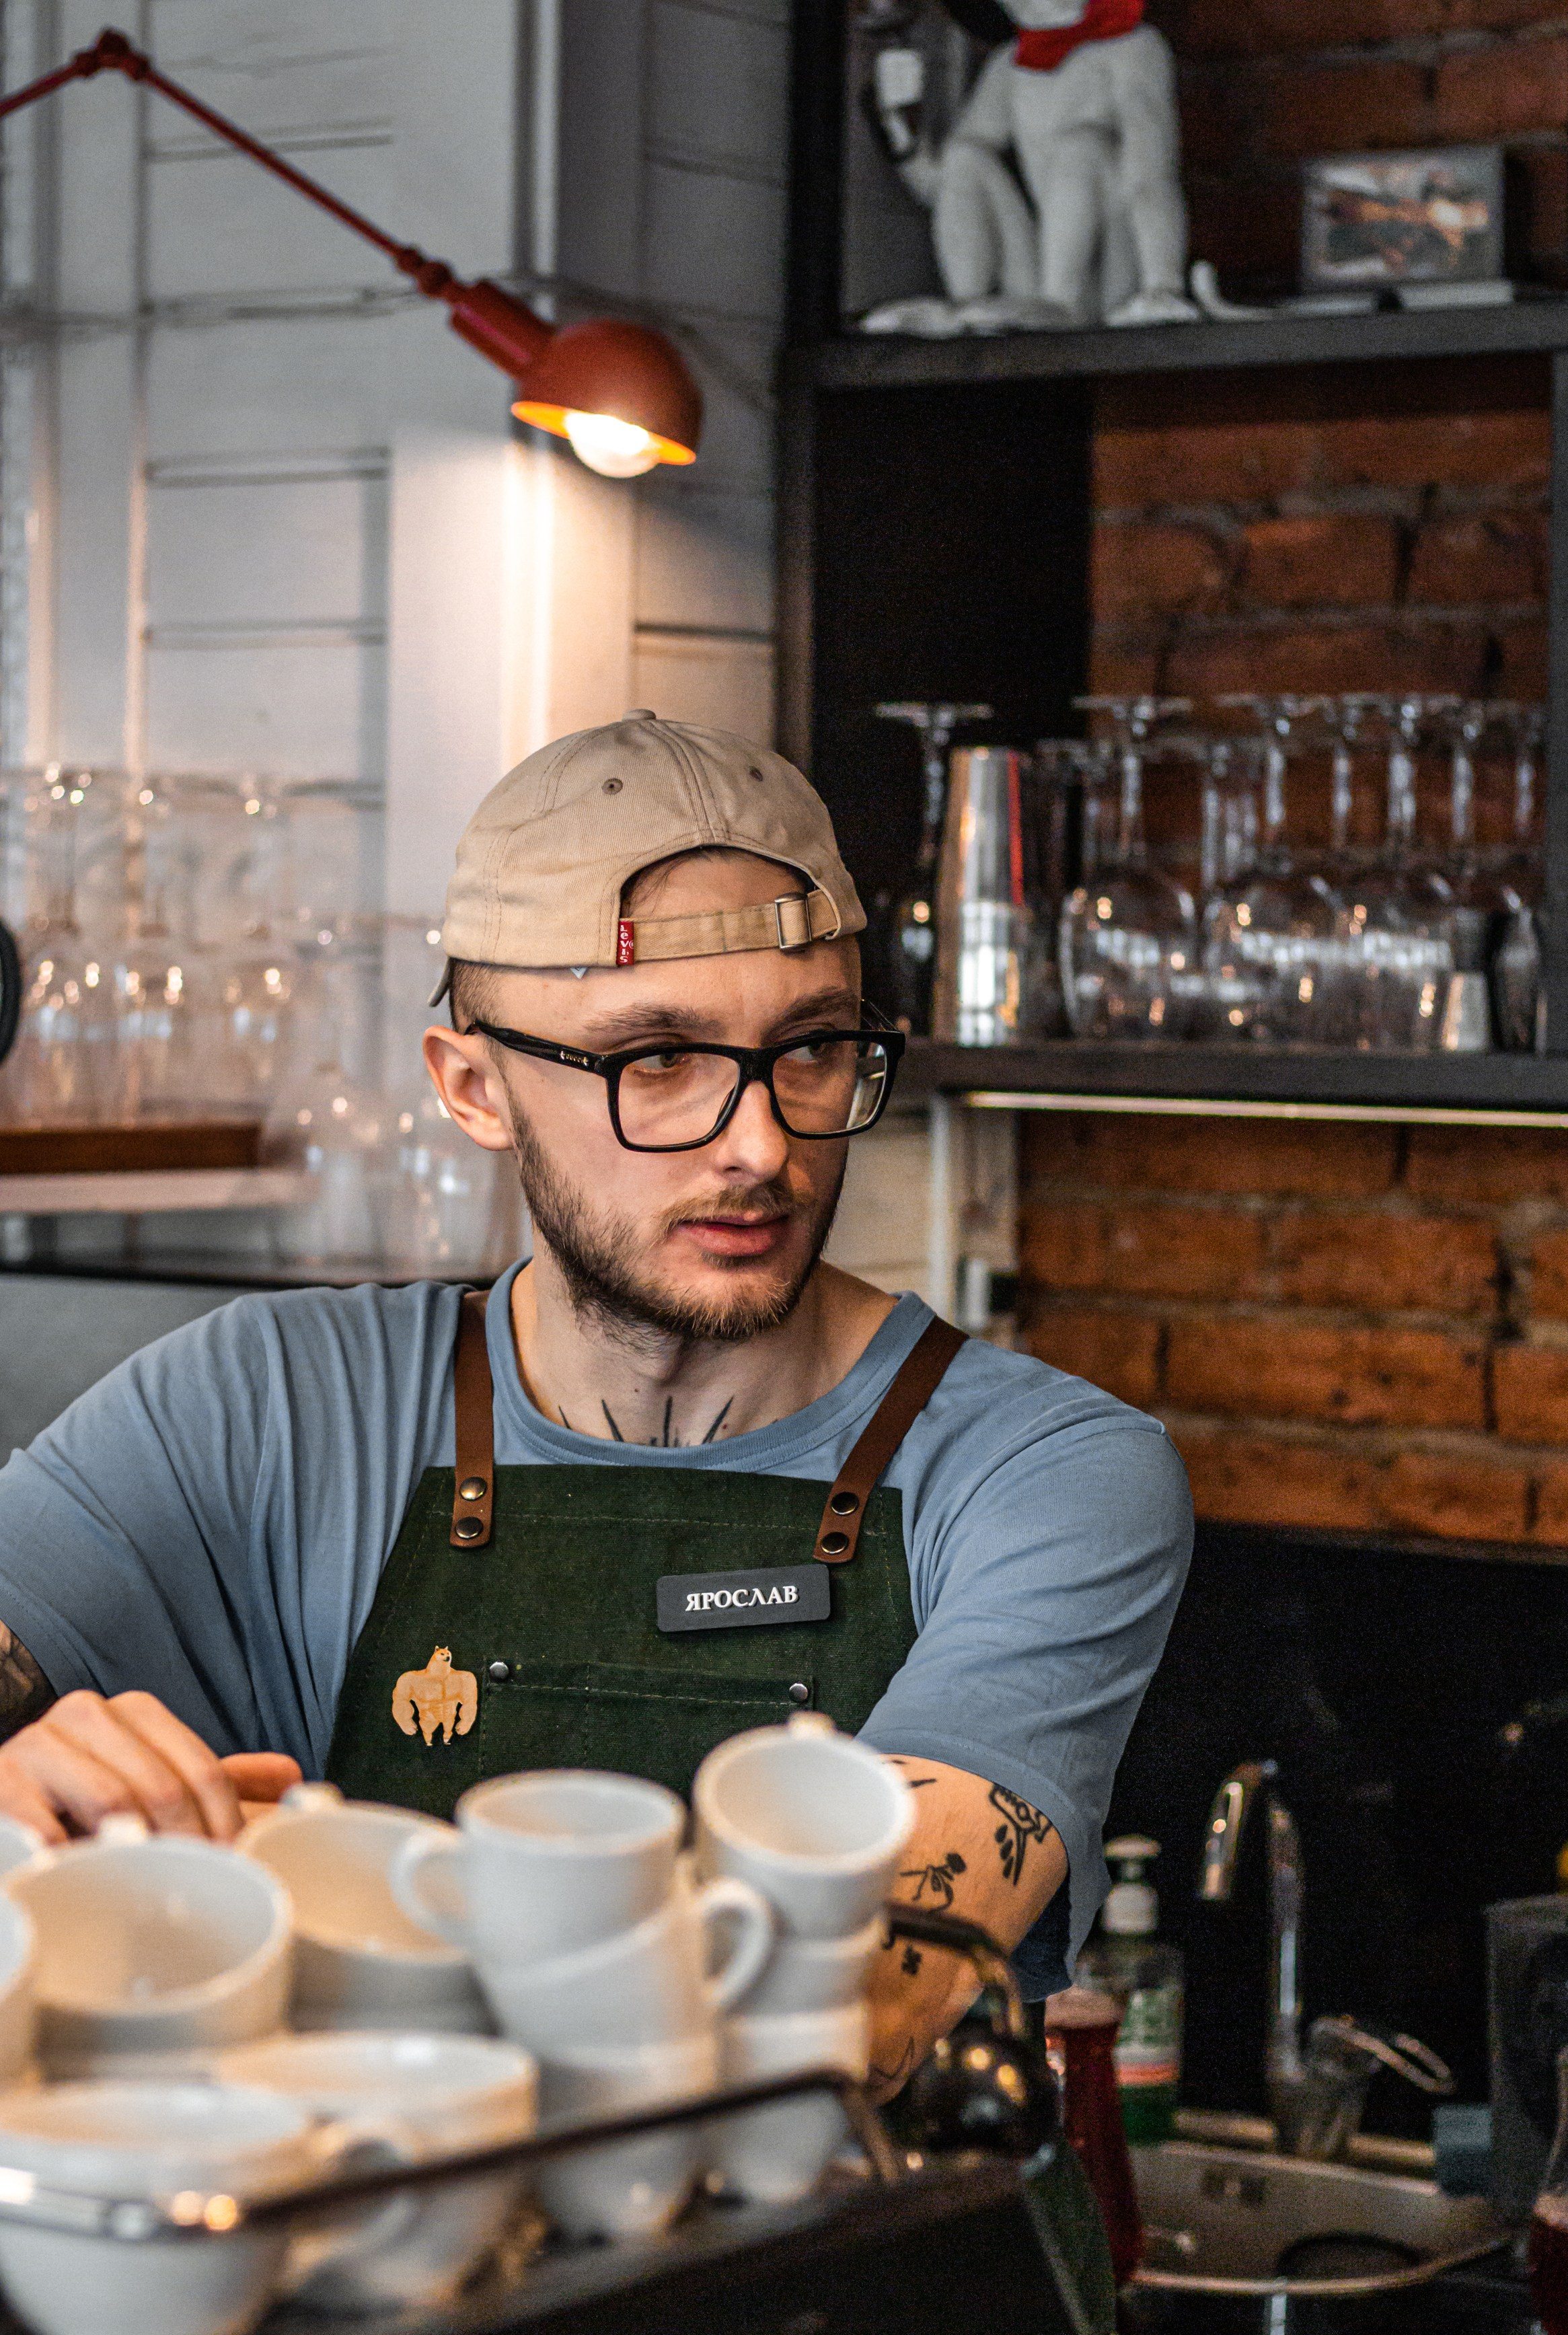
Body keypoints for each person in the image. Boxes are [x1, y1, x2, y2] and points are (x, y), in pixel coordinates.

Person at [0, 710, 1191, 2096]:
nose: (759, 1145)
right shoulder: (258, 1404)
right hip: (415, 2286)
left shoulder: (1050, 1474)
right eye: (656, 1061)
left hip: (876, 2299)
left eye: (808, 1050)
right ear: (474, 1086)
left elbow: (853, 2002)